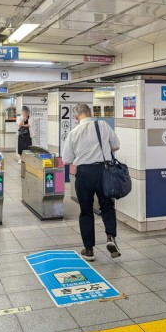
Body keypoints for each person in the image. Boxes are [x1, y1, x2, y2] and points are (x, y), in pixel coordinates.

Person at [62, 103, 121, 261]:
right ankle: (110, 237)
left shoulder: (74, 132)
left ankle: (89, 250)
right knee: (107, 206)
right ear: (90, 112)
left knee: (86, 211)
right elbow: (116, 145)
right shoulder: (102, 125)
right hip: (104, 172)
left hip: (84, 174)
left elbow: (67, 159)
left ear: (76, 117)